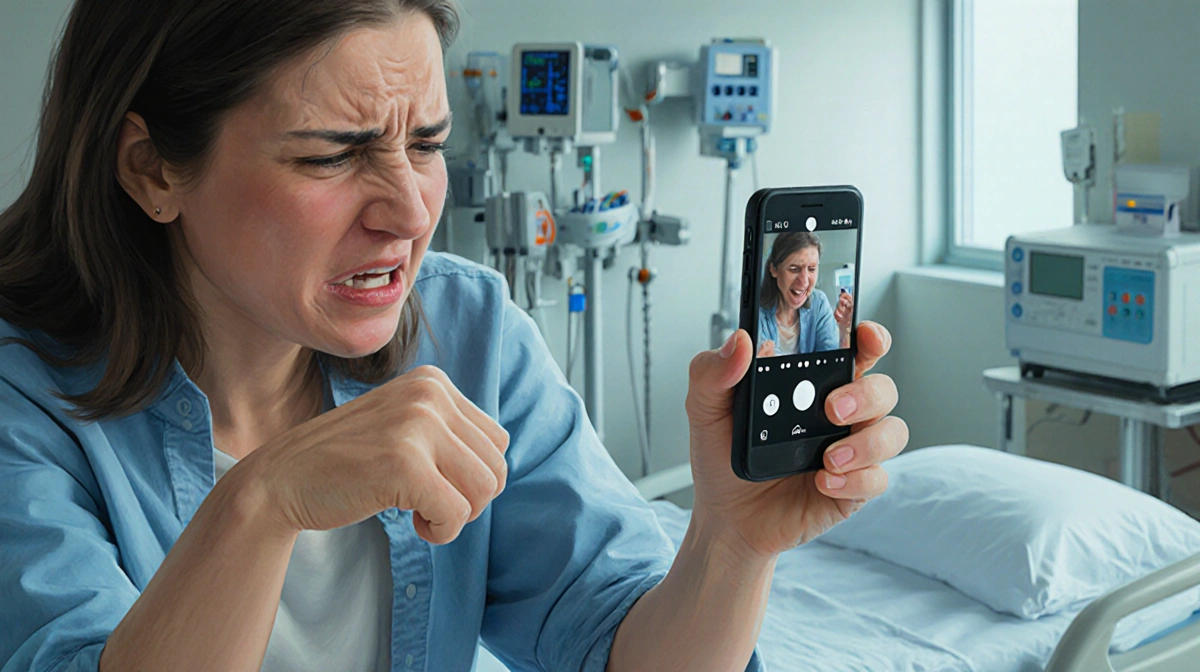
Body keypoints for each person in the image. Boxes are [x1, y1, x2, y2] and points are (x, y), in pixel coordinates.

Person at [0, 1, 908, 670]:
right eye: (333, 153)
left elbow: (620, 648)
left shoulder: (468, 332)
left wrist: (731, 546)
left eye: (428, 145)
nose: (409, 211)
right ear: (153, 168)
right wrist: (261, 504)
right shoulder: (22, 402)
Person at [757, 232, 855, 357]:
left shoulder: (819, 303)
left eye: (812, 269)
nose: (804, 282)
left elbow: (831, 364)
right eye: (794, 269)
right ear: (774, 269)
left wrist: (844, 333)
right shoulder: (757, 311)